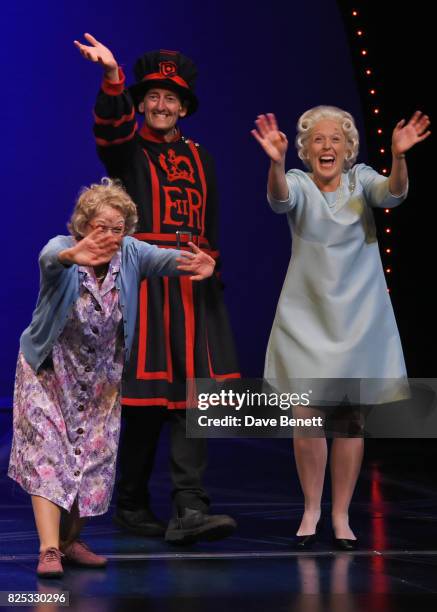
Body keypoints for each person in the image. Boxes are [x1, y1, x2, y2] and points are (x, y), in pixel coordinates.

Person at [74, 34, 239, 544]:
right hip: (145, 283)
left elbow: (210, 226)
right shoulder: (127, 152)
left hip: (193, 287)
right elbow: (109, 128)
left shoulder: (201, 157)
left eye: (171, 98)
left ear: (183, 107)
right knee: (144, 397)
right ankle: (131, 501)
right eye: (153, 98)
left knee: (195, 397)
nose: (162, 105)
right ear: (142, 104)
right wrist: (111, 78)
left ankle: (191, 505)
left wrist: (212, 265)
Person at [8, 178, 215, 578]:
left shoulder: (131, 253)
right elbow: (51, 257)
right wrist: (73, 253)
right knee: (48, 457)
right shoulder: (64, 249)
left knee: (95, 461)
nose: (108, 235)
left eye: (117, 228)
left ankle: (70, 542)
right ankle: (49, 549)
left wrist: (198, 263)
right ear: (84, 225)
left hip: (101, 378)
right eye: (100, 226)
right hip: (48, 372)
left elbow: (165, 258)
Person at [252, 107, 430, 549]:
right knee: (306, 418)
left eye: (336, 140)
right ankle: (311, 510)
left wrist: (400, 157)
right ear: (305, 149)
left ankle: (341, 515)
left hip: (358, 318)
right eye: (317, 140)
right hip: (306, 318)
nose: (326, 147)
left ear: (349, 149)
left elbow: (393, 195)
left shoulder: (361, 178)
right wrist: (274, 163)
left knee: (350, 422)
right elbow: (279, 200)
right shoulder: (296, 182)